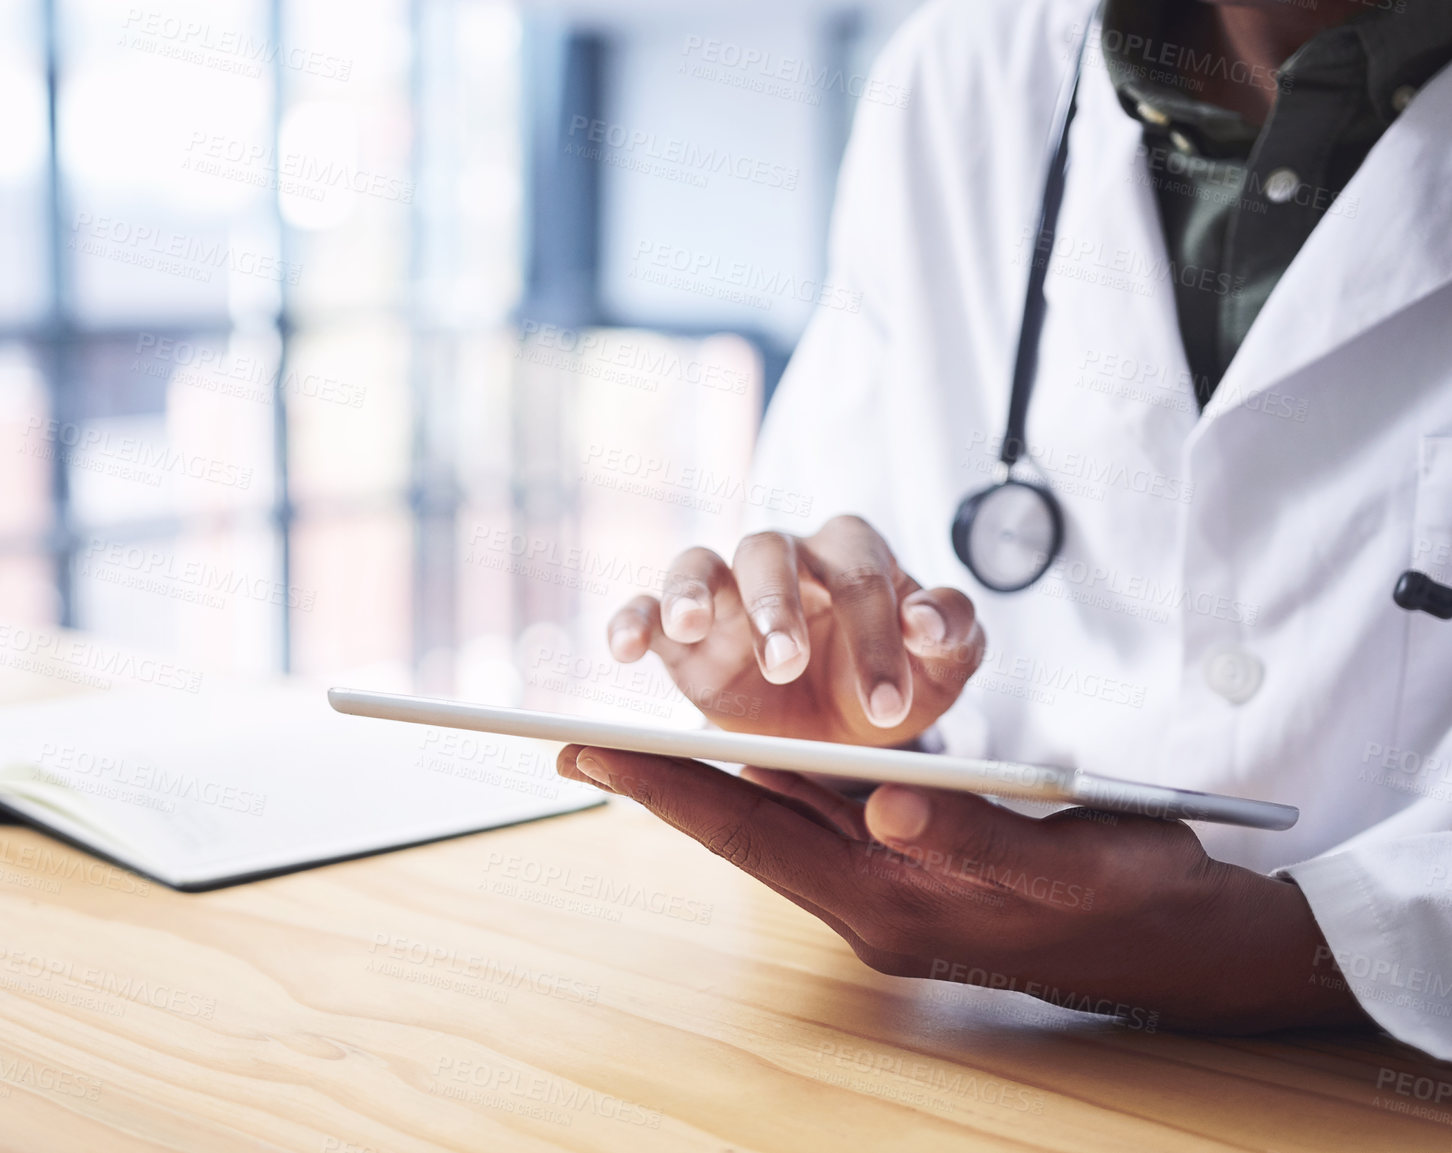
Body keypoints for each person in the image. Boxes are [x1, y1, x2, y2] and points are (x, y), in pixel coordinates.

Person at [557, 0, 1452, 1056]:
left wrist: (1310, 948)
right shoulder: (960, 71)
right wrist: (854, 727)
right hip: (983, 1053)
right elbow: (845, 566)